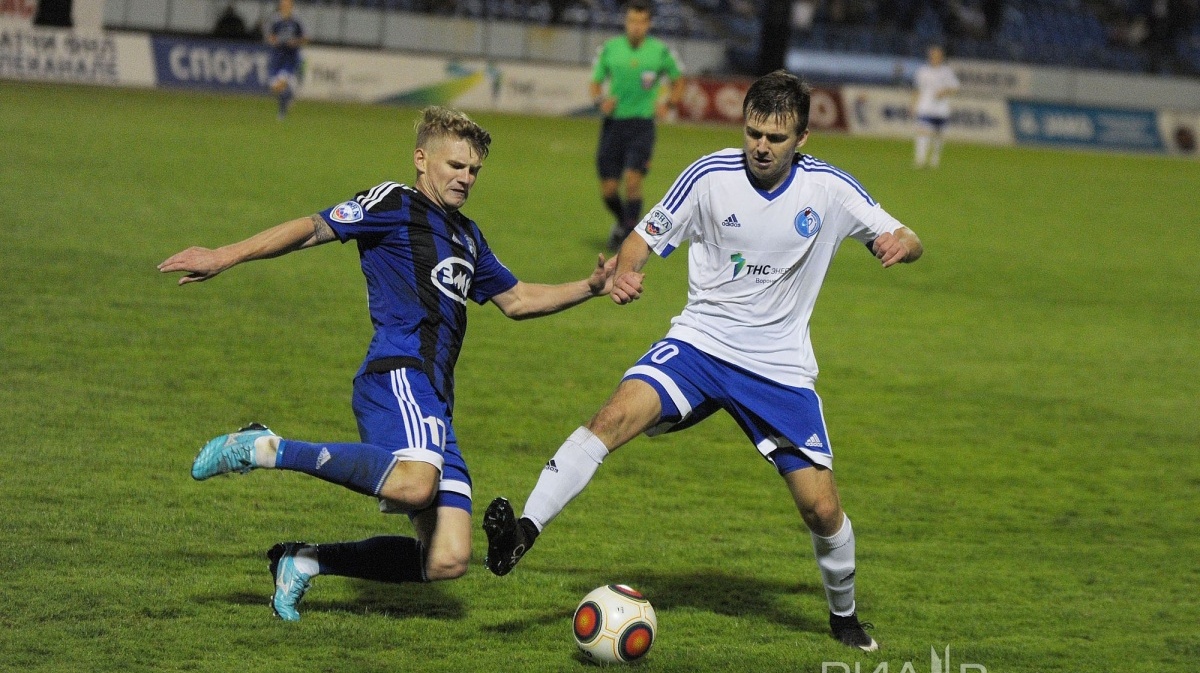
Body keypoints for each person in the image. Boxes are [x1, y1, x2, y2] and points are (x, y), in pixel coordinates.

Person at [482, 70, 923, 652]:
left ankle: (844, 617)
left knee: (821, 509)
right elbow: (642, 237)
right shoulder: (710, 176)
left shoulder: (830, 189)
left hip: (777, 366)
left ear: (801, 139)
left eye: (776, 138)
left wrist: (901, 245)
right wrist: (627, 271)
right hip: (700, 344)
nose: (761, 146)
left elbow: (907, 236)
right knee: (611, 418)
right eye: (753, 133)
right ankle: (523, 531)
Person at [158, 107, 616, 622]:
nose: (466, 178)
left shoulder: (468, 236)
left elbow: (518, 299)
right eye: (455, 165)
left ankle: (304, 561)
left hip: (435, 400)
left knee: (447, 558)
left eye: (474, 170)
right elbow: (312, 228)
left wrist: (590, 287)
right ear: (421, 159)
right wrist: (225, 255)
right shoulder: (394, 202)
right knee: (416, 484)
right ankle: (265, 448)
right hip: (398, 372)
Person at [590, 0, 684, 251]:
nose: (636, 26)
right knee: (609, 190)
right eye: (632, 21)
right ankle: (624, 223)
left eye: (641, 22)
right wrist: (601, 100)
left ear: (649, 24)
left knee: (633, 181)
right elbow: (595, 83)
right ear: (626, 21)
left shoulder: (660, 51)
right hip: (613, 125)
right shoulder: (610, 49)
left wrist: (669, 104)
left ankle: (629, 234)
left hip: (642, 126)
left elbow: (678, 81)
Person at [911, 44, 959, 168]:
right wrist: (913, 105)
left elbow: (955, 87)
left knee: (939, 135)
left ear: (941, 57)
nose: (935, 57)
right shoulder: (923, 71)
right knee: (923, 132)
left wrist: (944, 92)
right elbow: (917, 89)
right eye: (933, 55)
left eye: (937, 55)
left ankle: (934, 159)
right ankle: (920, 160)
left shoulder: (946, 72)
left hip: (941, 109)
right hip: (925, 107)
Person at [264, 0, 307, 119]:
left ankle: (282, 112)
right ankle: (289, 96)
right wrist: (275, 41)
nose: (285, 7)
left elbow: (304, 38)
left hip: (290, 58)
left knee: (281, 84)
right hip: (276, 57)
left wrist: (295, 42)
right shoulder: (275, 20)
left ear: (291, 6)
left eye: (288, 5)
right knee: (274, 88)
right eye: (283, 5)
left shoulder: (297, 21)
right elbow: (270, 37)